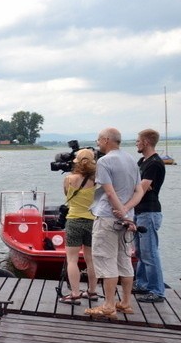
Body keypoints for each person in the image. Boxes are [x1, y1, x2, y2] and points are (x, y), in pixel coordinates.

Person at [87, 127, 143, 318]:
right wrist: (127, 212)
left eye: (99, 139)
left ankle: (109, 305)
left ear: (107, 140)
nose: (97, 143)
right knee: (124, 259)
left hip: (109, 218)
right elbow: (139, 191)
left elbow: (110, 193)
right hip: (127, 219)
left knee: (105, 259)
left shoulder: (104, 161)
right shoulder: (131, 160)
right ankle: (126, 302)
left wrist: (121, 213)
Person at [59, 148, 98, 305]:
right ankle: (92, 292)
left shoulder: (69, 179)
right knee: (91, 260)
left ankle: (75, 294)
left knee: (72, 260)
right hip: (92, 221)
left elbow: (66, 194)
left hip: (74, 220)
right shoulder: (97, 180)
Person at [132, 128, 166, 303]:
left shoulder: (154, 163)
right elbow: (137, 184)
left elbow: (142, 188)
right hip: (139, 210)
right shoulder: (142, 161)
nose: (136, 143)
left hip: (149, 211)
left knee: (150, 252)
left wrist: (138, 188)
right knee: (139, 250)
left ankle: (157, 290)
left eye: (138, 140)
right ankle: (142, 284)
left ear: (146, 142)